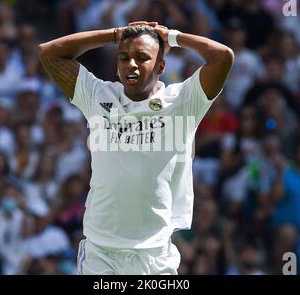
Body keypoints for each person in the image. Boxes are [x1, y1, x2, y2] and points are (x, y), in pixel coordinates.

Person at [39, 21, 234, 275]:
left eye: (142, 58)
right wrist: (115, 35)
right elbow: (48, 52)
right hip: (101, 252)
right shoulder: (98, 96)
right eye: (124, 58)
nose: (131, 64)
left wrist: (172, 37)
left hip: (154, 254)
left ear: (160, 66)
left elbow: (223, 57)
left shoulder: (182, 102)